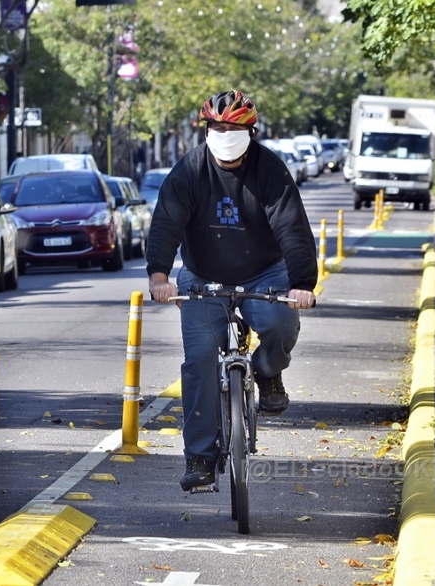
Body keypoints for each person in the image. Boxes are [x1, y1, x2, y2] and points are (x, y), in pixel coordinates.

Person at [145, 90, 318, 492]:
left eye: (234, 127)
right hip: (203, 275)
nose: (225, 133)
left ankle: (268, 373)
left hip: (263, 271)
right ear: (206, 129)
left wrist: (301, 285)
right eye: (218, 127)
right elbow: (166, 223)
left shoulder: (270, 169)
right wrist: (158, 276)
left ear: (250, 131)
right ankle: (201, 458)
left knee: (279, 323)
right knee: (201, 360)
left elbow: (292, 226)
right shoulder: (189, 169)